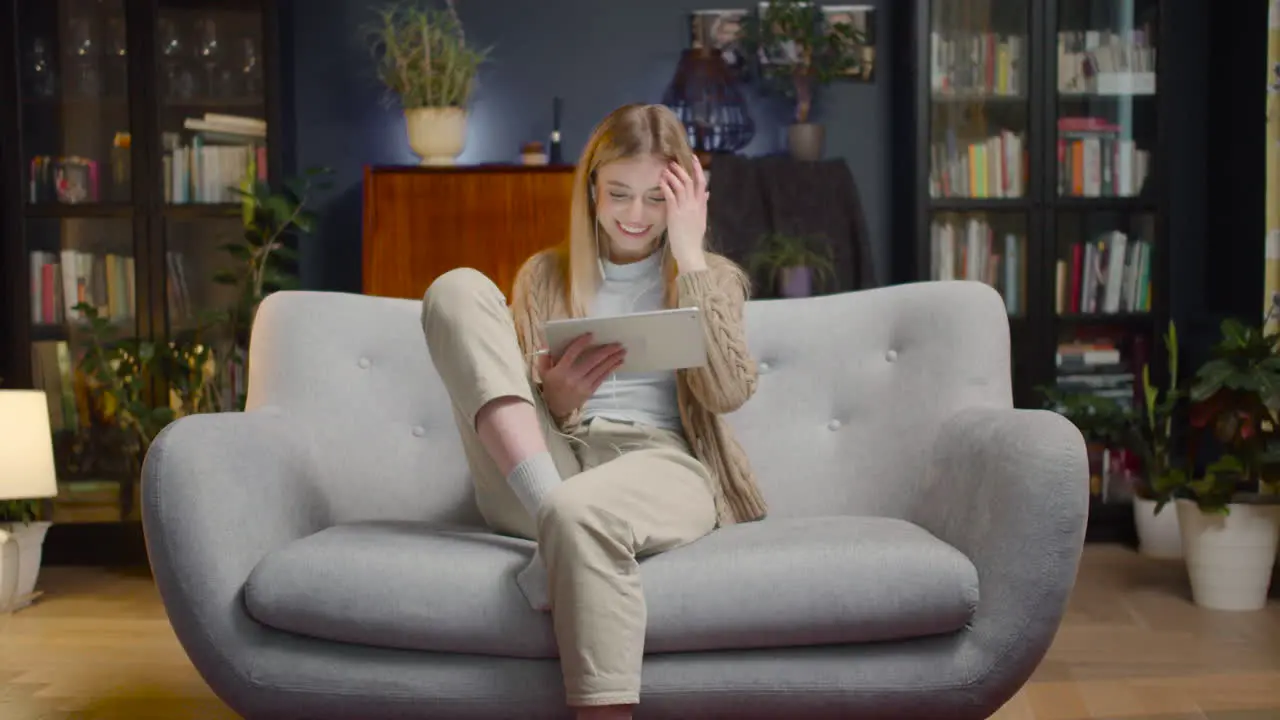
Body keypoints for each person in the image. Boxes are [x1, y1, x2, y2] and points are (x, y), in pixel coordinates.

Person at [420, 103, 768, 720]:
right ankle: (557, 523)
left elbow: (729, 393)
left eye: (657, 198)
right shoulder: (544, 274)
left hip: (660, 467)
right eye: (619, 193)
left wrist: (689, 258)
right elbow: (520, 396)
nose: (636, 215)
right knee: (456, 289)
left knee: (579, 510)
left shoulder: (712, 276)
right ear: (592, 189)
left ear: (685, 196)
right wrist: (557, 400)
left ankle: (563, 532)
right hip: (547, 468)